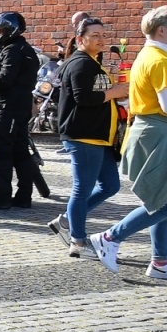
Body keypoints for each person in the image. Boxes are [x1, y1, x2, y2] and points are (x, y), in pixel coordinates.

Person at [90, 5, 167, 280]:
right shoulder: (160, 61)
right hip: (159, 136)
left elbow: (165, 102)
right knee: (166, 204)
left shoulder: (147, 55)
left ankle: (161, 262)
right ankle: (109, 238)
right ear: (161, 30)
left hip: (155, 134)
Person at [52, 16, 127, 256]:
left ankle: (67, 219)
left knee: (110, 185)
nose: (101, 40)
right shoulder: (80, 63)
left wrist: (116, 93)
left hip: (99, 137)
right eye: (95, 35)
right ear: (80, 39)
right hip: (84, 136)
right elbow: (83, 98)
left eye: (103, 35)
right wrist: (113, 92)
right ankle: (78, 241)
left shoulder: (93, 62)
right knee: (82, 189)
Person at [0, 11, 41, 210]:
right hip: (21, 105)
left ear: (9, 30)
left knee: (1, 151)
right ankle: (23, 196)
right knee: (21, 150)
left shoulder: (13, 50)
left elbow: (4, 80)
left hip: (8, 107)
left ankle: (2, 197)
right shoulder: (26, 49)